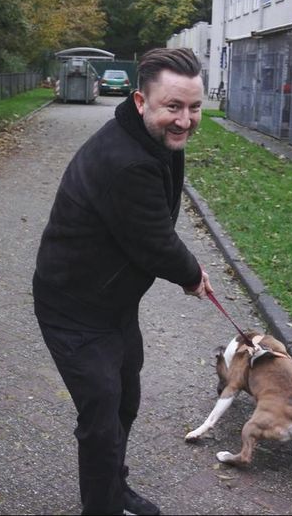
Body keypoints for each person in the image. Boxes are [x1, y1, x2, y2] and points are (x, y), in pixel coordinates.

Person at [33, 47, 214, 515]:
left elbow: (156, 225)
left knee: (125, 400)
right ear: (140, 101)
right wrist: (194, 276)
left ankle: (114, 487)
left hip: (113, 302)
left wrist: (187, 272)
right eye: (172, 107)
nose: (185, 120)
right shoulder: (127, 161)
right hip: (73, 308)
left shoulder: (153, 141)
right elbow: (154, 242)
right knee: (101, 415)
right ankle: (102, 506)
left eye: (194, 107)